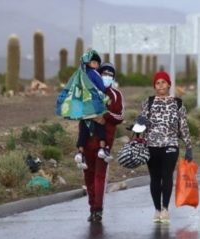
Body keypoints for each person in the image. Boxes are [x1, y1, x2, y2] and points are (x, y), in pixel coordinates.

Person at [136, 71, 193, 223]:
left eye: (163, 82)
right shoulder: (148, 102)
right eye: (157, 83)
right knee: (155, 178)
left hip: (171, 144)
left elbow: (184, 127)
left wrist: (189, 147)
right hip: (151, 146)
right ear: (154, 86)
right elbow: (140, 124)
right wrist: (139, 126)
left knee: (167, 176)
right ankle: (157, 209)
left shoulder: (178, 103)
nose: (160, 85)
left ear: (169, 84)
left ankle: (165, 209)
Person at [76, 62, 125, 222]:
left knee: (99, 176)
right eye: (105, 73)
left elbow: (120, 117)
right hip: (87, 141)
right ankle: (92, 208)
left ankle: (98, 209)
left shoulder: (116, 95)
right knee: (88, 177)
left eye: (110, 75)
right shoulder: (89, 92)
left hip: (105, 143)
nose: (107, 77)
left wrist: (105, 116)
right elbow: (81, 116)